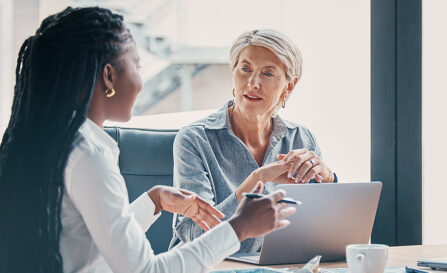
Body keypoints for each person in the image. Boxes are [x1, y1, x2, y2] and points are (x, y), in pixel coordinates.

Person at [0, 7, 295, 273]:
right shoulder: (88, 155)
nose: (141, 81)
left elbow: (96, 246)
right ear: (109, 77)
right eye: (137, 67)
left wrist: (153, 201)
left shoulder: (63, 140)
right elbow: (144, 271)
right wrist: (238, 227)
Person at [170, 29, 336, 253]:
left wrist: (328, 179)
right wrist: (256, 181)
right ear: (233, 72)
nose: (252, 82)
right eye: (245, 69)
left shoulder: (301, 139)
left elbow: (326, 230)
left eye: (268, 74)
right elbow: (195, 236)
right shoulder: (194, 140)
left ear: (289, 86)